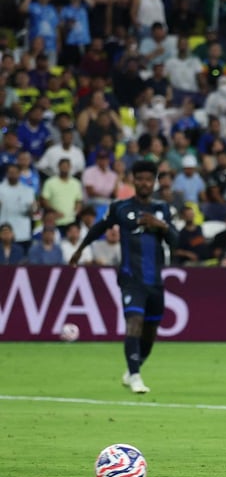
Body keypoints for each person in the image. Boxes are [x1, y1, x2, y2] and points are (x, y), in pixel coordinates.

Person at [70, 161, 178, 394]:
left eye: (148, 179)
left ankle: (132, 369)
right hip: (131, 278)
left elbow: (176, 241)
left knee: (150, 332)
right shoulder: (120, 207)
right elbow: (100, 227)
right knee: (134, 323)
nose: (144, 183)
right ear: (133, 180)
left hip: (155, 280)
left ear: (154, 182)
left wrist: (160, 225)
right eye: (140, 179)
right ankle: (136, 377)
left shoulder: (162, 209)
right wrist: (81, 248)